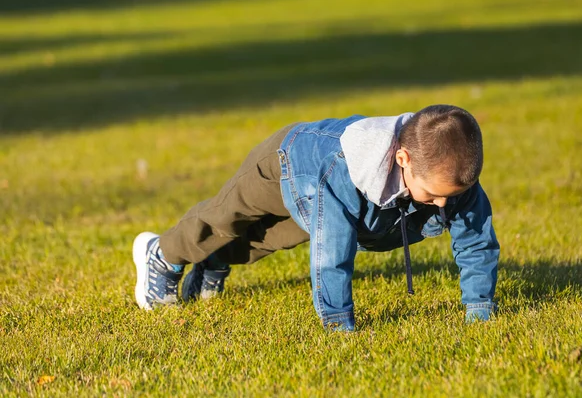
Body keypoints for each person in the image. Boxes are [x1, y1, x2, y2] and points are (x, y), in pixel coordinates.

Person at [132, 104, 500, 331]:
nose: (440, 205)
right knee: (227, 218)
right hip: (289, 162)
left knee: (273, 237)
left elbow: (477, 243)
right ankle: (161, 255)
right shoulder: (343, 174)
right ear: (403, 160)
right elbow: (332, 256)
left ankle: (214, 259)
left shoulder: (449, 179)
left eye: (448, 197)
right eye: (433, 194)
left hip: (321, 188)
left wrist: (479, 307)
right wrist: (338, 321)